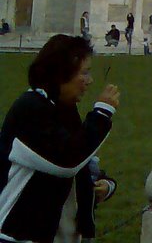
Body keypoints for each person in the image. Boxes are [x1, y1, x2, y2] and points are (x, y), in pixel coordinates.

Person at [0, 34, 120, 243]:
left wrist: (104, 185)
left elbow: (81, 160)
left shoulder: (64, 110)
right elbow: (65, 161)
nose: (89, 81)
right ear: (60, 74)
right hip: (18, 235)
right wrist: (102, 113)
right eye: (84, 72)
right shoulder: (30, 108)